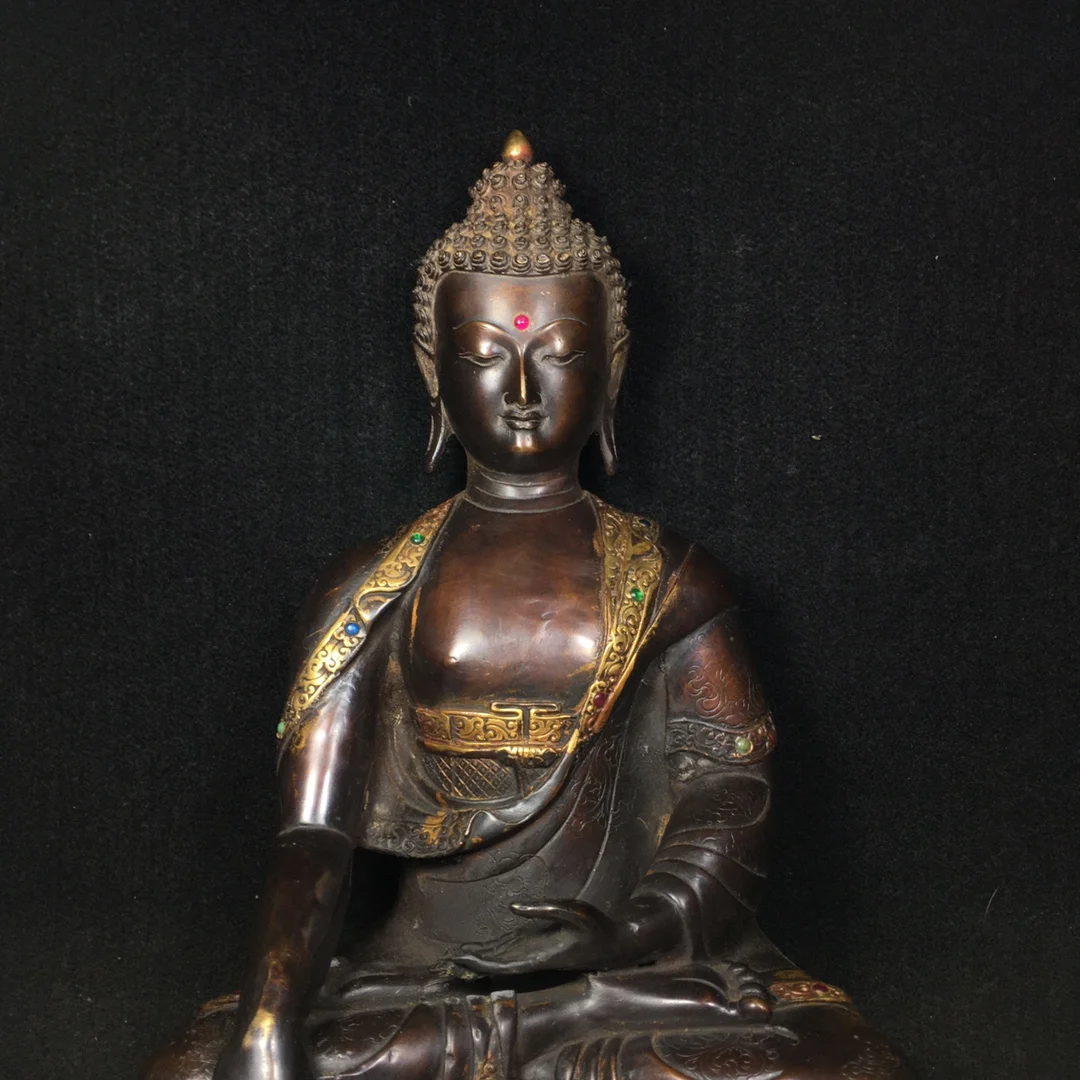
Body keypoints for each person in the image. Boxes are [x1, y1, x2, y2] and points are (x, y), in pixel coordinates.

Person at [144, 132, 914, 1080]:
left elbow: (729, 787)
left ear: (612, 370)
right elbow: (313, 832)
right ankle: (537, 1033)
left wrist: (634, 929)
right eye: (483, 356)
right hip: (424, 974)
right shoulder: (370, 585)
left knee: (841, 1061)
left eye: (559, 355)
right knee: (195, 1065)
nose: (519, 391)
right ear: (432, 369)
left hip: (629, 966)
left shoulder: (675, 579)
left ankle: (548, 1023)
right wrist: (272, 1009)